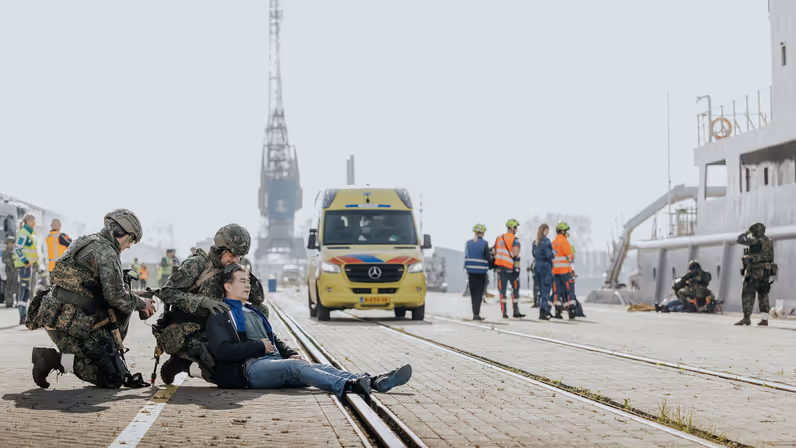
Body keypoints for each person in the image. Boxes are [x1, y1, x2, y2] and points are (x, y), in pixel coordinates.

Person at [207, 263, 412, 394]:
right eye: (242, 281)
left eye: (249, 281)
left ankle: (374, 380)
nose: (248, 285)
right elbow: (223, 352)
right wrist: (258, 347)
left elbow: (273, 339)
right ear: (228, 286)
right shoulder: (221, 314)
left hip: (273, 362)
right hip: (249, 370)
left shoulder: (253, 310)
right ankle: (350, 386)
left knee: (318, 366)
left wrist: (291, 352)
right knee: (297, 368)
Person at [28, 209, 156, 388]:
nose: (129, 246)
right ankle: (51, 359)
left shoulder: (85, 240)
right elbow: (115, 296)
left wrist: (135, 296)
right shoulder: (107, 252)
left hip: (57, 317)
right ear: (123, 234)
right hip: (71, 325)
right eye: (131, 241)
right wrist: (142, 303)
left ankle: (93, 356)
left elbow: (92, 288)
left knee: (110, 364)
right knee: (112, 377)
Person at [154, 224, 270, 385]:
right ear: (219, 250)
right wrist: (202, 302)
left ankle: (253, 357)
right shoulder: (197, 264)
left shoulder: (233, 269)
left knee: (261, 311)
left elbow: (258, 300)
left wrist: (245, 274)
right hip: (189, 328)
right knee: (219, 374)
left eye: (240, 257)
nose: (235, 260)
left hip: (218, 328)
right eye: (232, 255)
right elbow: (166, 293)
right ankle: (180, 363)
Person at [735, 223, 776, 326]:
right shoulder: (769, 241)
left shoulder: (756, 241)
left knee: (748, 293)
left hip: (755, 270)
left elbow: (739, 239)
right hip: (766, 271)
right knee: (763, 294)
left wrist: (746, 232)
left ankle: (746, 318)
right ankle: (764, 319)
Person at [493, 219, 524, 318]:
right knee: (515, 290)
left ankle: (504, 313)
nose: (516, 229)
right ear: (511, 227)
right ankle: (515, 311)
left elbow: (494, 252)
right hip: (511, 269)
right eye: (515, 227)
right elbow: (515, 253)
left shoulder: (499, 238)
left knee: (502, 292)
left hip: (500, 269)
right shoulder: (514, 239)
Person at [14, 214, 39, 325]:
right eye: (33, 221)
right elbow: (18, 249)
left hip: (28, 266)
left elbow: (32, 251)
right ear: (28, 221)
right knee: (24, 290)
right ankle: (22, 315)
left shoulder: (29, 233)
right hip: (24, 265)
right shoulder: (23, 233)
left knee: (27, 290)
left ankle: (24, 314)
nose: (35, 224)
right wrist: (25, 261)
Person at [464, 224, 492, 320]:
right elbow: (488, 257)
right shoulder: (484, 244)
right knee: (479, 295)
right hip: (481, 273)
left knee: (473, 294)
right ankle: (477, 314)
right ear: (482, 233)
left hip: (471, 273)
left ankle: (475, 313)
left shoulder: (468, 243)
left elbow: (467, 256)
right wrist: (493, 265)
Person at [551, 222, 576, 320]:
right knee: (569, 291)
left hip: (555, 271)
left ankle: (557, 310)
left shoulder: (553, 243)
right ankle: (571, 310)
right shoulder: (564, 241)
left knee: (557, 292)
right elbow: (570, 256)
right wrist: (572, 251)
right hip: (565, 271)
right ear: (562, 231)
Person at [532, 224, 554, 320]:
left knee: (540, 290)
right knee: (546, 290)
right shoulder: (546, 241)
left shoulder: (535, 242)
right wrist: (554, 253)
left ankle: (542, 310)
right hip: (545, 267)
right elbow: (549, 255)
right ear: (545, 230)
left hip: (537, 267)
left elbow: (534, 254)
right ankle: (543, 311)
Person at [3, 236, 18, 307]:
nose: (11, 244)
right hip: (8, 272)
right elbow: (3, 260)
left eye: (12, 243)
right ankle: (9, 302)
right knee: (9, 287)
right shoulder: (5, 252)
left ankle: (19, 302)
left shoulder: (16, 251)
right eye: (9, 243)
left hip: (16, 272)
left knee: (17, 287)